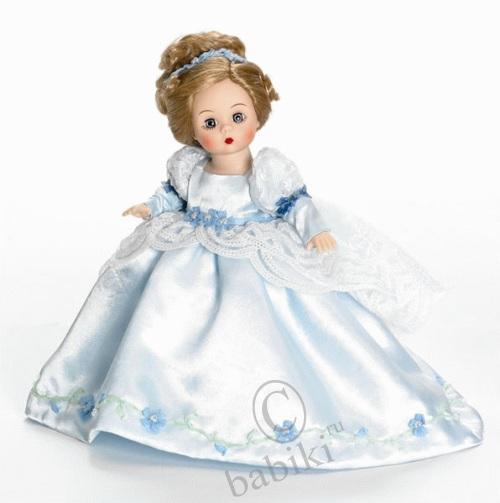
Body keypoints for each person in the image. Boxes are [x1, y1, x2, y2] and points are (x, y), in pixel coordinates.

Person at [24, 31, 483, 472]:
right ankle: (157, 408)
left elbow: (295, 204)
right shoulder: (189, 167)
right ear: (191, 129)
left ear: (257, 116)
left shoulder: (267, 171)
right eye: (210, 122)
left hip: (255, 251)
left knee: (279, 325)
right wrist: (151, 207)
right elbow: (174, 197)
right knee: (161, 318)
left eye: (237, 116)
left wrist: (315, 231)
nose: (226, 129)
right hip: (189, 256)